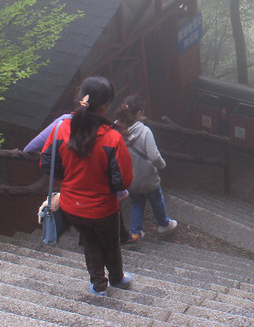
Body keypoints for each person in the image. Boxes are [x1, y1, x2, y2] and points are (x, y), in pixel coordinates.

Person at [40, 76, 134, 296]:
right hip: (103, 209)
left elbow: (47, 162)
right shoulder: (112, 138)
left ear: (80, 98)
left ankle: (98, 285)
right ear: (105, 106)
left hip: (72, 205)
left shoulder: (61, 129)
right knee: (110, 245)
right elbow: (123, 180)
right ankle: (117, 279)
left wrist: (69, 178)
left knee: (90, 242)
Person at [115, 94, 177, 242]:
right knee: (156, 199)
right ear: (139, 113)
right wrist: (162, 165)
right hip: (148, 177)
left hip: (130, 177)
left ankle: (135, 232)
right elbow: (154, 156)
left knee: (137, 203)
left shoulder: (117, 129)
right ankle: (164, 225)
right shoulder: (144, 132)